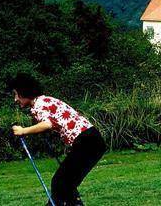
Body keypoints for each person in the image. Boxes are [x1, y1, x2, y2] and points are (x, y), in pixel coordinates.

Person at [8, 73, 106, 206]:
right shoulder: (44, 101)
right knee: (65, 184)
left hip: (87, 142)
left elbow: (47, 124)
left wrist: (23, 131)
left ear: (24, 92)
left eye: (16, 94)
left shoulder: (39, 104)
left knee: (61, 182)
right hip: (90, 141)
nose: (15, 99)